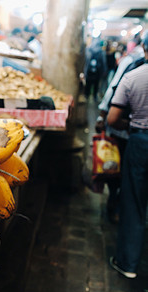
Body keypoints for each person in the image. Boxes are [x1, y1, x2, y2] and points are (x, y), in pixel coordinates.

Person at [107, 32, 148, 279]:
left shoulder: (133, 77)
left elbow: (113, 118)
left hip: (140, 141)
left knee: (133, 202)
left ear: (144, 49)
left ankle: (128, 263)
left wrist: (130, 126)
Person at [95, 42, 145, 223]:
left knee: (121, 170)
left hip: (127, 130)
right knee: (121, 170)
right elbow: (113, 89)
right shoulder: (132, 62)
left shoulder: (131, 63)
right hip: (126, 129)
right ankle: (116, 203)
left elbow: (112, 88)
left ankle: (117, 204)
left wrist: (103, 116)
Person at [84, 38, 107, 102]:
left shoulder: (88, 50)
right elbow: (103, 62)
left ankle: (87, 95)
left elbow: (86, 62)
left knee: (89, 84)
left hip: (90, 71)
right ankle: (94, 96)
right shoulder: (101, 51)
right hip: (97, 71)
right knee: (95, 84)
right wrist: (104, 71)